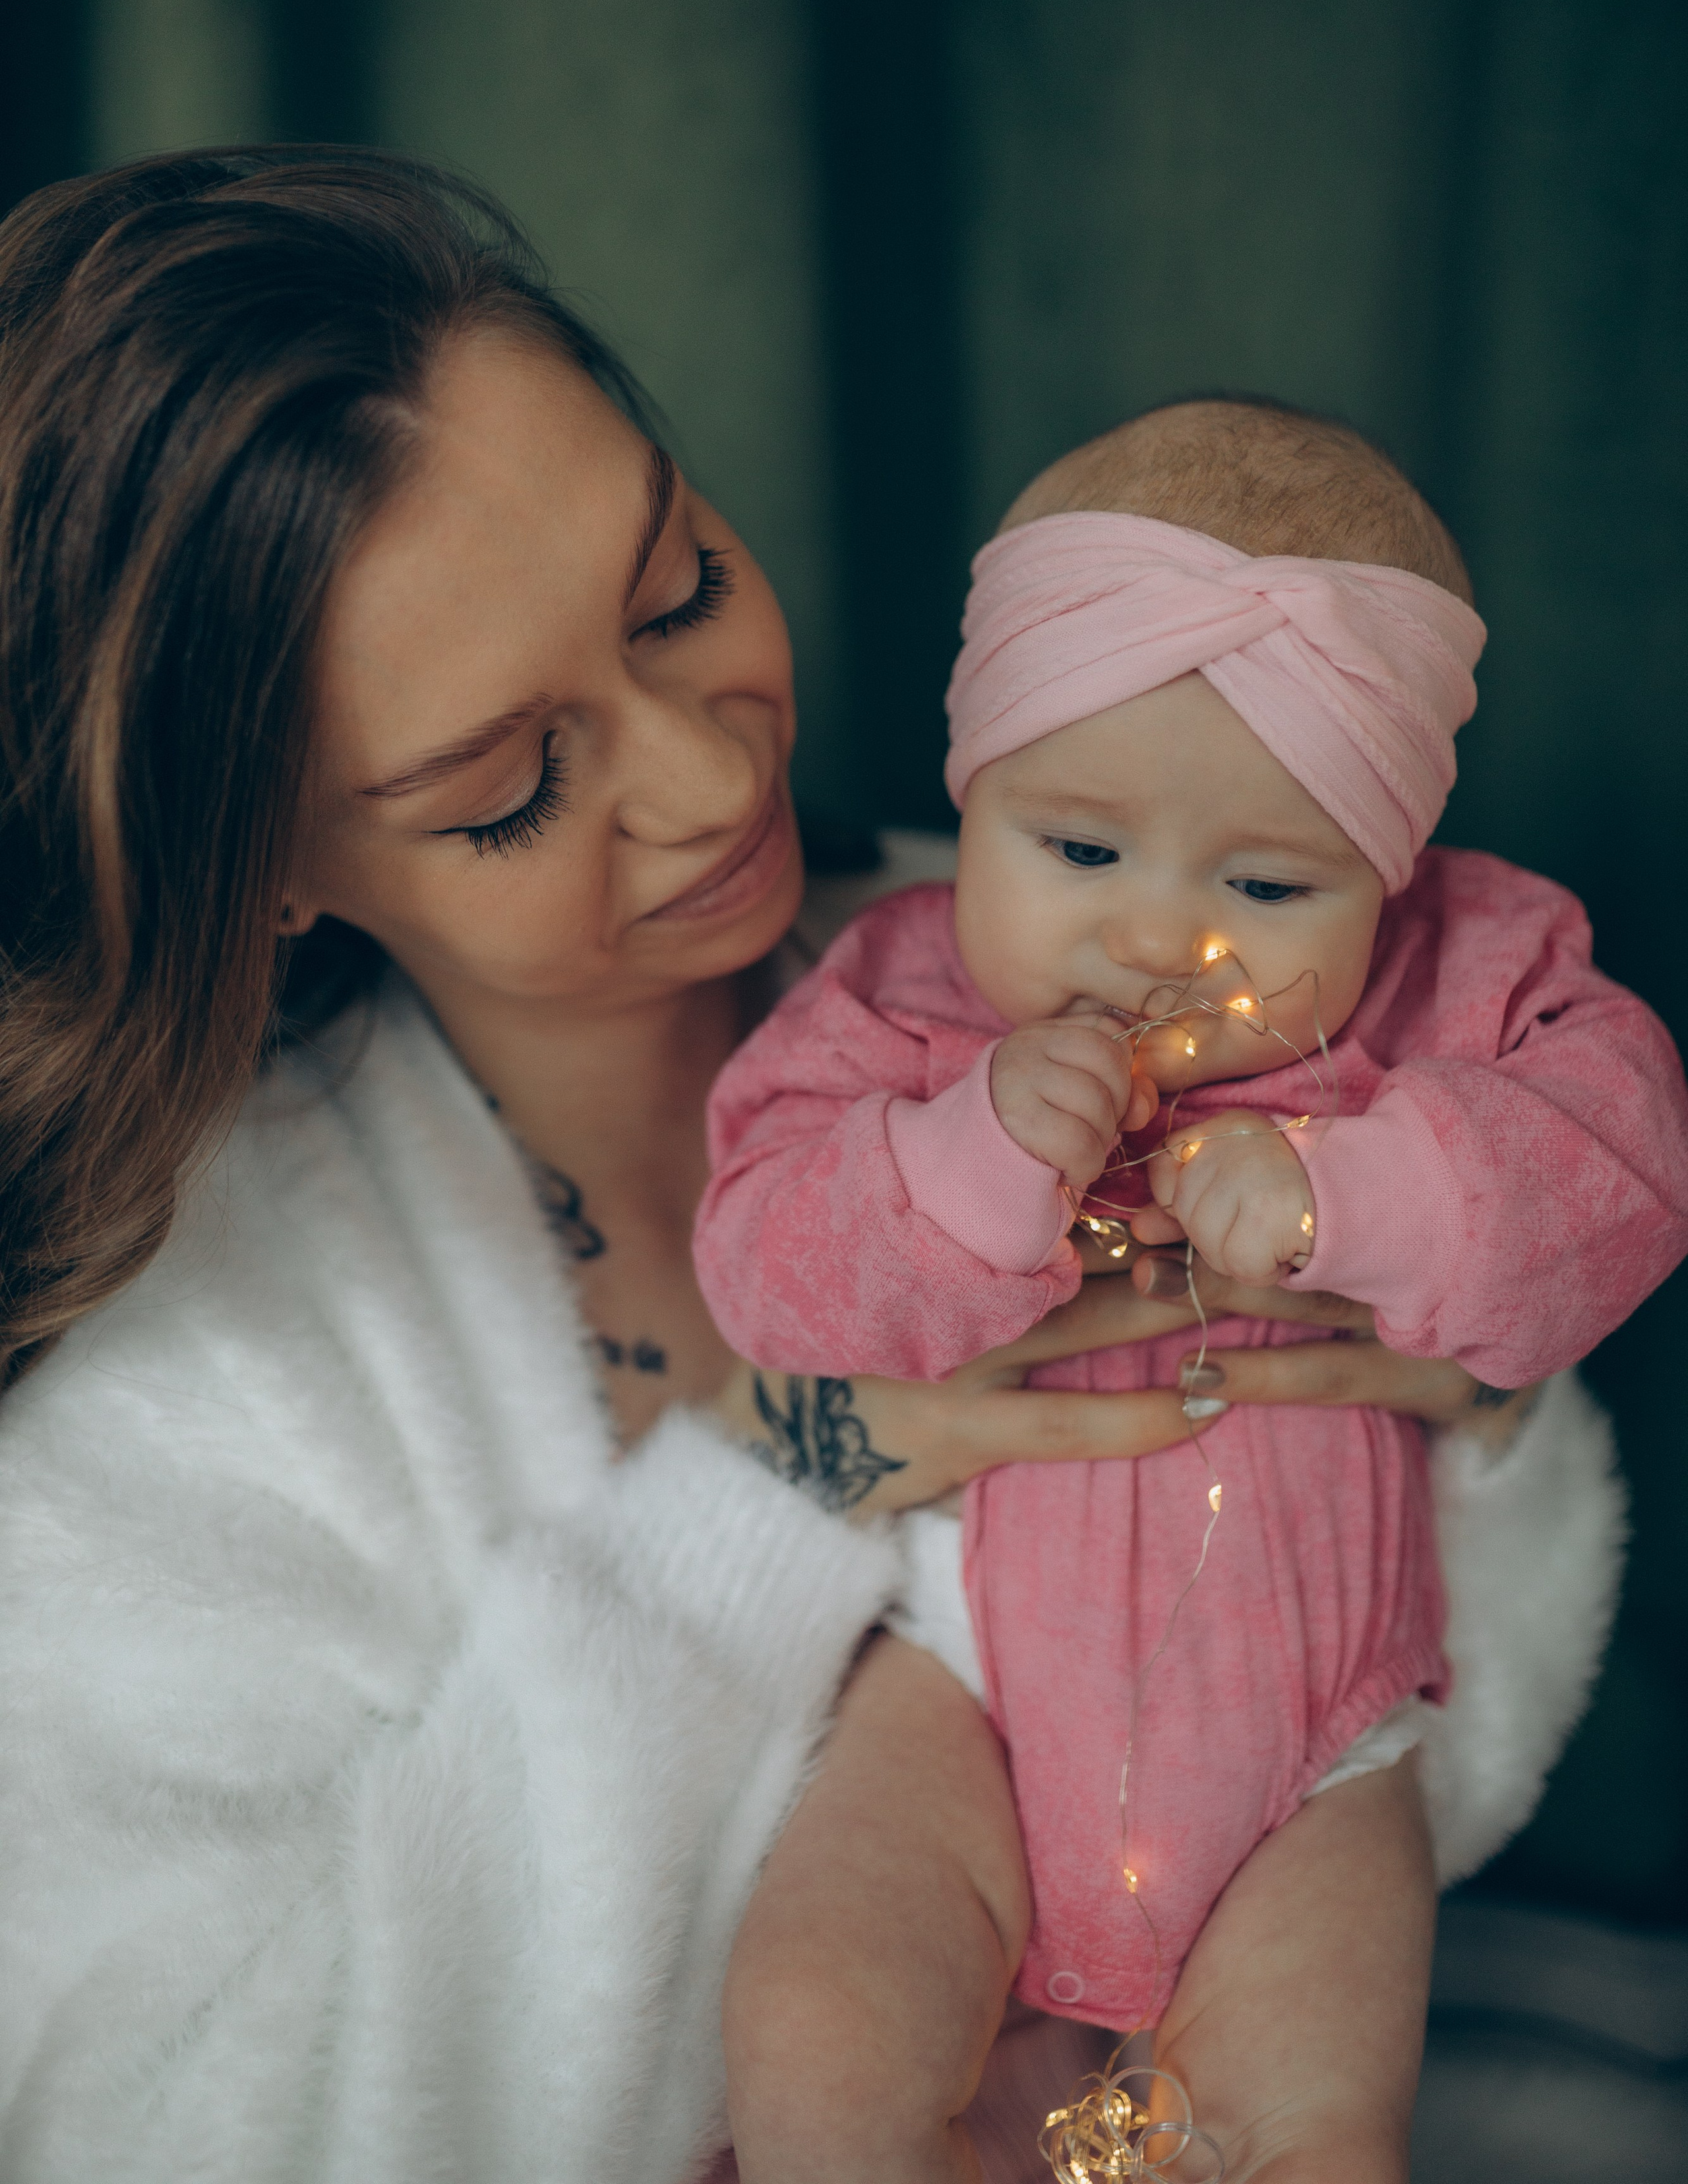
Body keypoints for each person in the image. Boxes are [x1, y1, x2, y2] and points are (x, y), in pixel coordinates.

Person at [0, 153, 1624, 2184]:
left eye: (677, 589)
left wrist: (1476, 1378)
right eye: (509, 787)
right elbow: (166, 2126)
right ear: (257, 881)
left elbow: (1431, 1684)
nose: (706, 773)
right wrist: (769, 1503)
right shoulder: (204, 1386)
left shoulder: (1106, 931)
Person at [697, 401, 1688, 2182]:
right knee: (819, 2032)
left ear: (1392, 875)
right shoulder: (906, 1003)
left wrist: (1353, 1194)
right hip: (967, 1686)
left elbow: (1619, 1172)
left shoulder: (1465, 976)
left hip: (1321, 1727)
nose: (1162, 935)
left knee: (1305, 2118)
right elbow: (767, 1261)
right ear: (970, 793)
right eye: (1078, 852)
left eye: (1266, 881)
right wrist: (963, 1161)